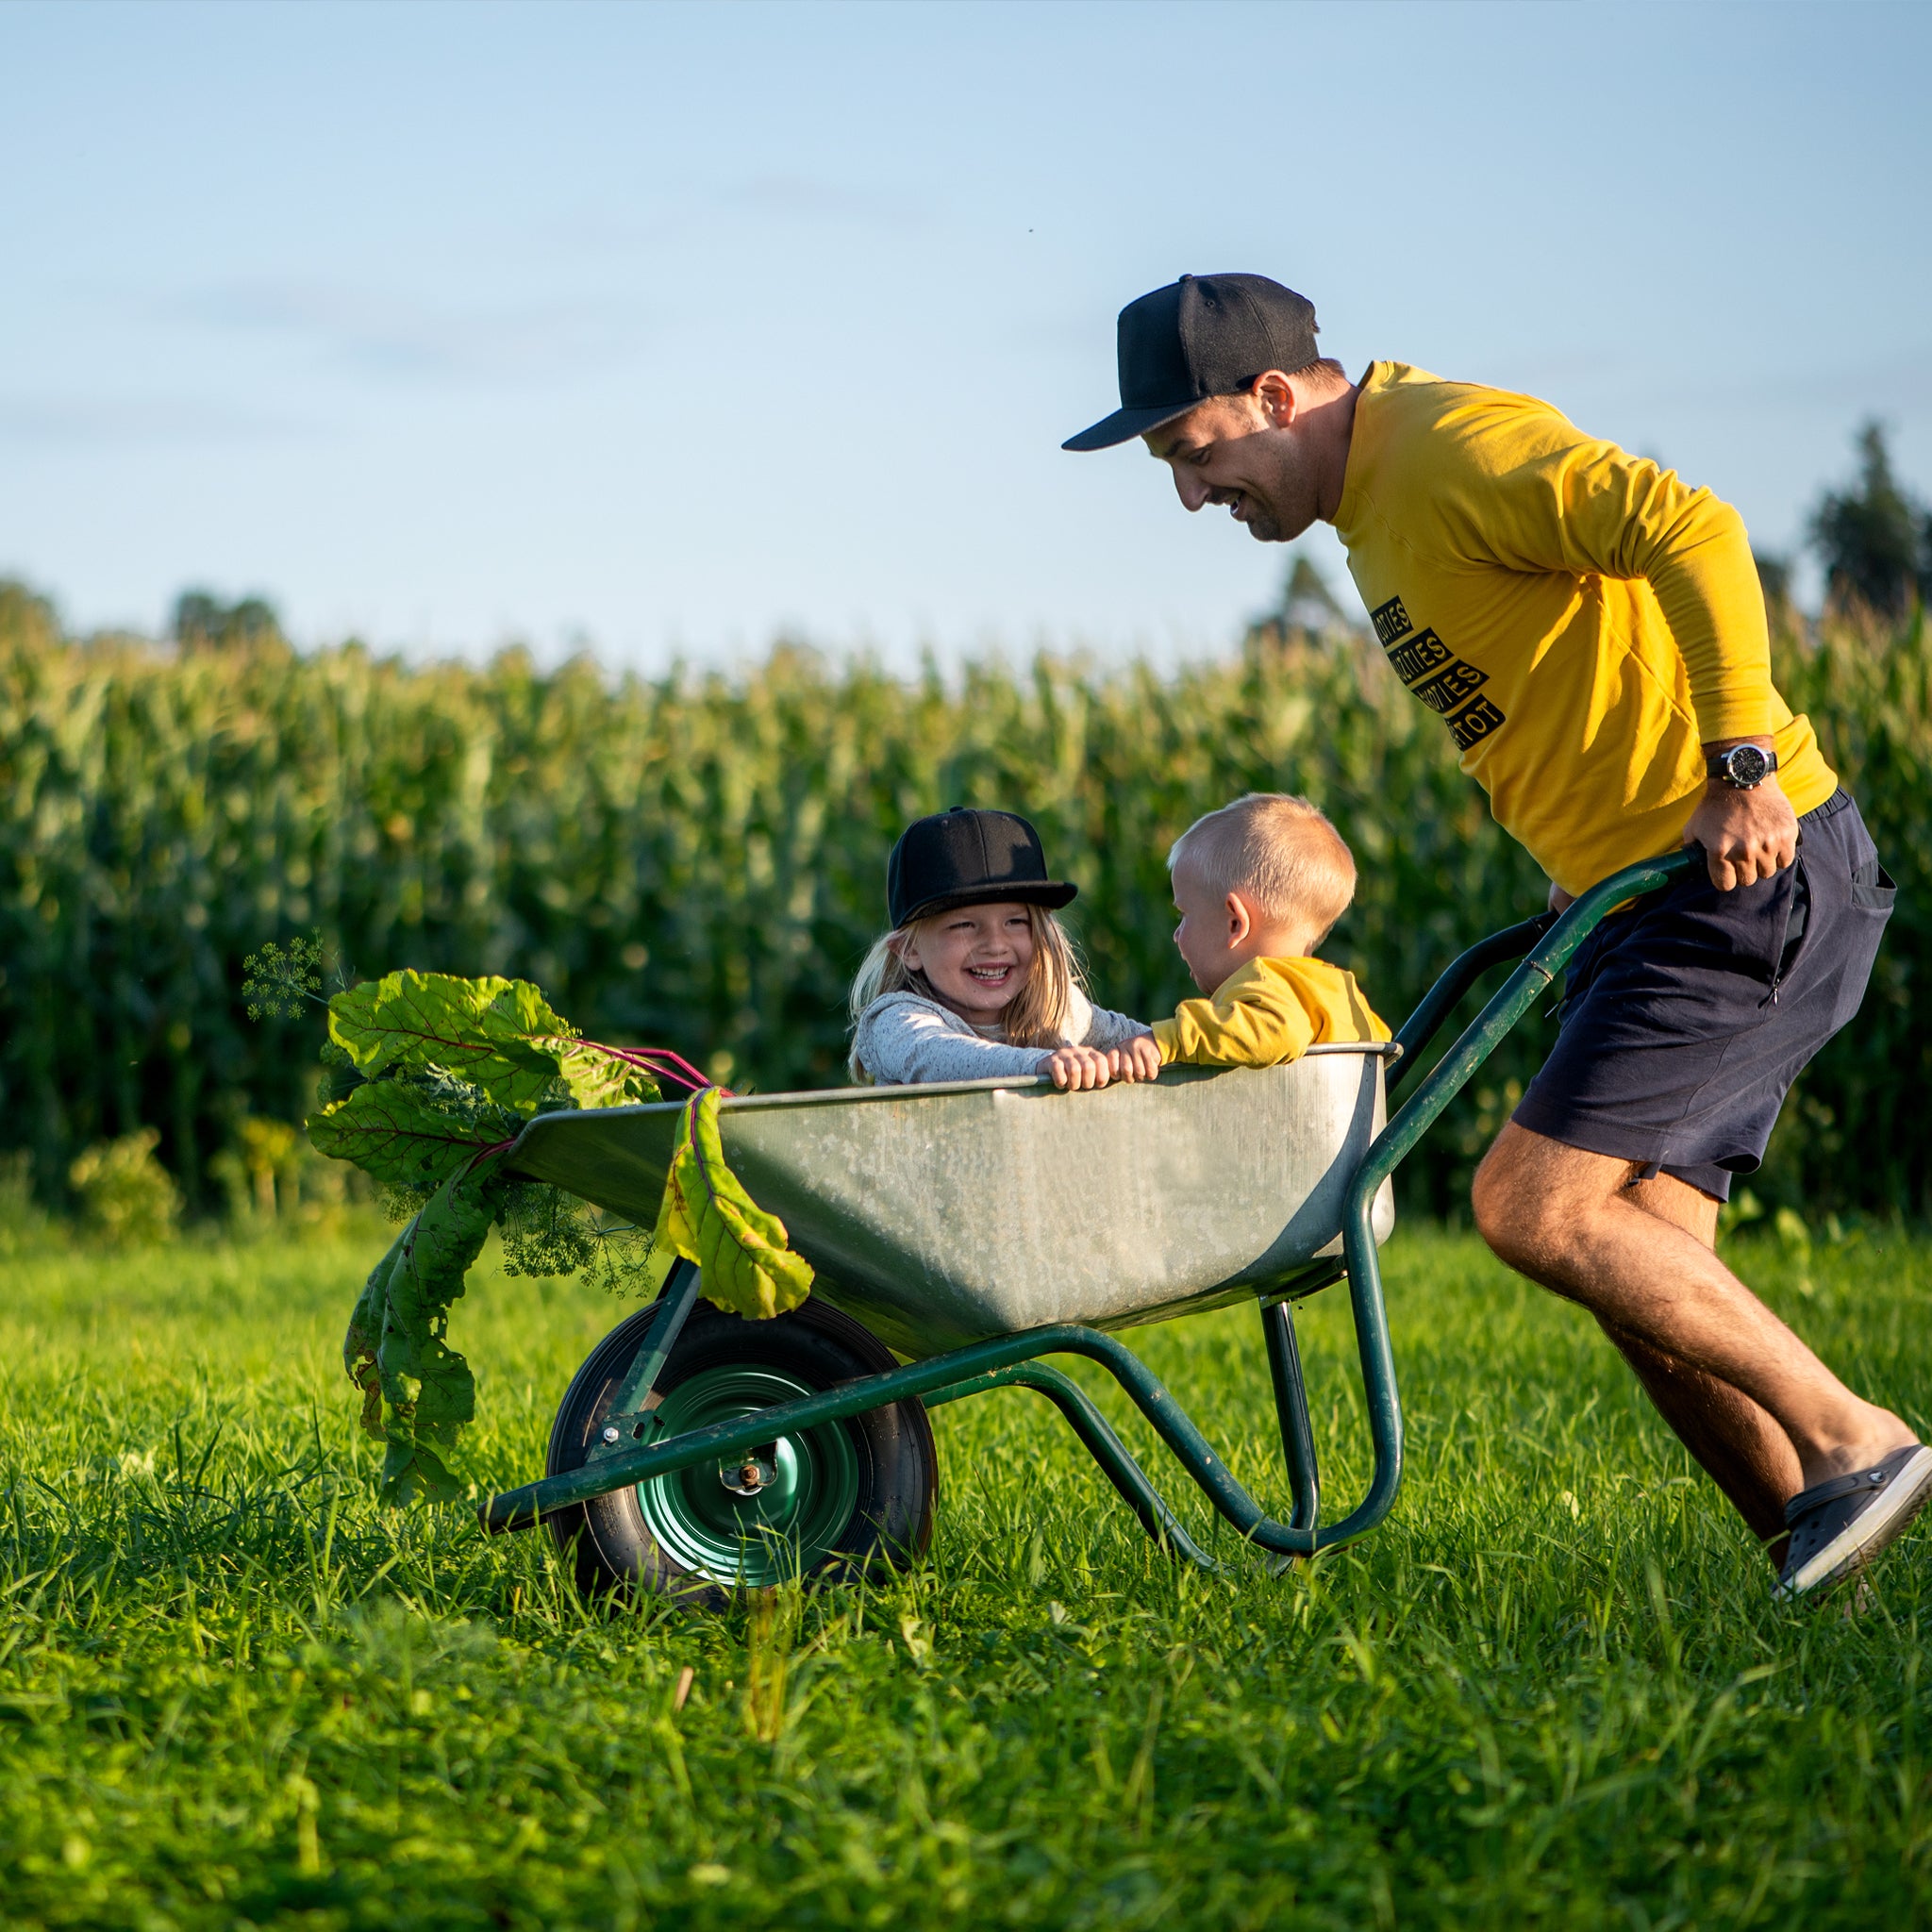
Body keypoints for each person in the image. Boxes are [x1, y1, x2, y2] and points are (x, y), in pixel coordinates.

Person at [1064, 273, 1920, 1602]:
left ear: (1273, 397)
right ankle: (1820, 1562)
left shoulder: (1450, 447)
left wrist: (1739, 758)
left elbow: (1691, 525)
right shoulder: (1368, 514)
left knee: (1532, 1206)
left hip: (1752, 868)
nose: (1191, 493)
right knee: (1645, 1263)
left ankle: (1857, 1438)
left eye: (1194, 454)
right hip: (1644, 898)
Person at [849, 806, 1160, 1089]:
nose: (995, 944)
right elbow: (933, 1056)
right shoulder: (894, 1021)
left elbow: (1137, 1039)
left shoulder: (1055, 1010)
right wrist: (1039, 1065)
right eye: (964, 925)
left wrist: (1153, 1046)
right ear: (909, 950)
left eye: (1015, 922)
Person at [1155, 792, 1390, 1068]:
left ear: (1235, 923)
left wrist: (1168, 1039)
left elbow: (1283, 1031)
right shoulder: (1340, 990)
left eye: (1184, 914)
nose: (1176, 934)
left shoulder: (1263, 982)